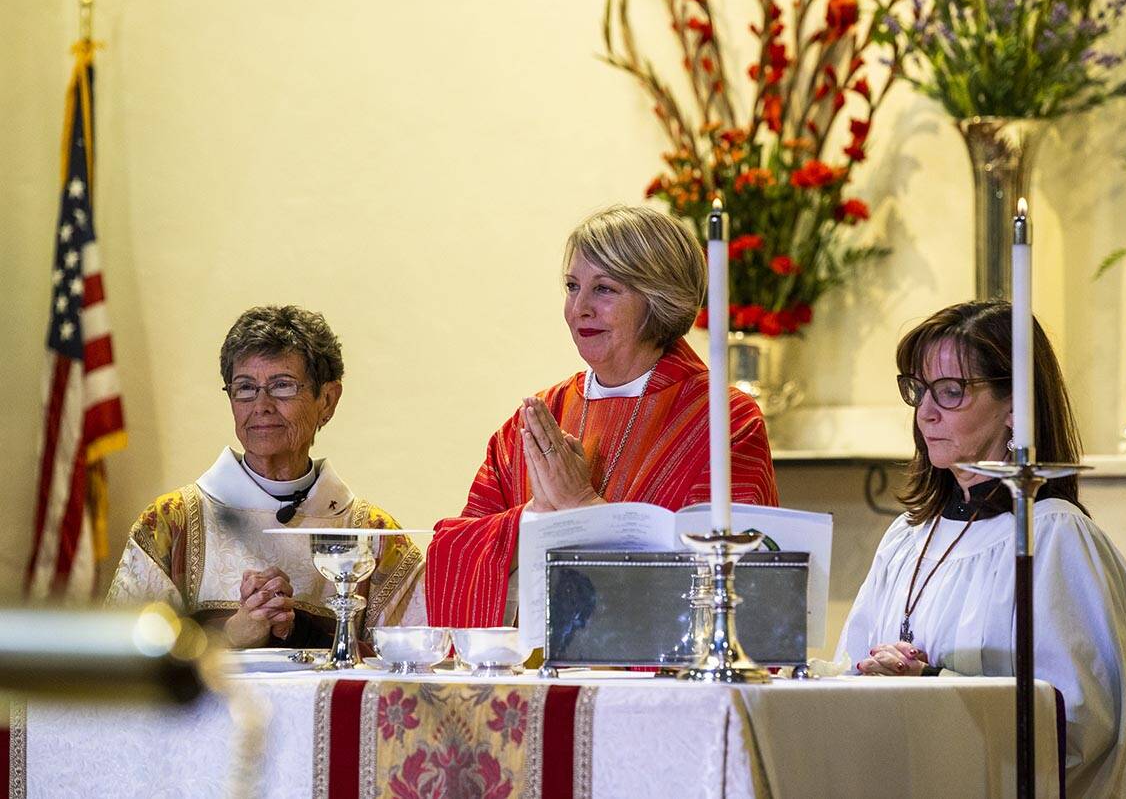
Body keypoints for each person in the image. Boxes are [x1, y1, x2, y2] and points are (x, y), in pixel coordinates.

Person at [838, 300, 1126, 799]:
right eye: (918, 391)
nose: (925, 413)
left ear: (1014, 407)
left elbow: (1081, 724)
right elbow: (847, 672)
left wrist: (934, 683)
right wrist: (872, 672)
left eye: (950, 392)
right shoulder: (907, 537)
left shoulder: (1055, 537)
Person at [426, 205, 779, 627]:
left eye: (605, 289)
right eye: (573, 286)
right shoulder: (538, 421)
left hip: (662, 687)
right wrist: (535, 516)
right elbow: (459, 554)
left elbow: (731, 584)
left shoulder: (721, 421)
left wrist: (581, 506)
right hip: (537, 680)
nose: (580, 309)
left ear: (660, 300)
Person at [107, 305, 424, 647]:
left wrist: (296, 630)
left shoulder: (374, 537)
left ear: (328, 400)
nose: (261, 405)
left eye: (282, 385)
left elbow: (409, 667)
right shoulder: (171, 524)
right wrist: (229, 636)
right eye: (245, 388)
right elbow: (124, 657)